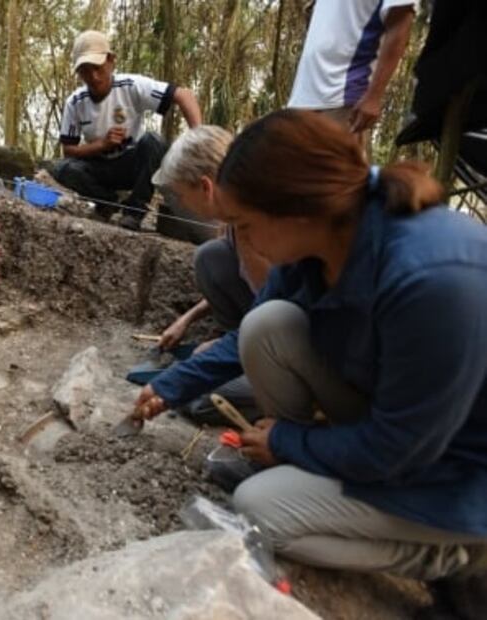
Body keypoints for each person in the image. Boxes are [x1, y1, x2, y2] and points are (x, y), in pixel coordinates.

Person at [134, 109, 487, 618]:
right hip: (399, 429)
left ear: (293, 210)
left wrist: (285, 442)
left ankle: (455, 556)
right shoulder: (322, 238)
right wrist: (169, 387)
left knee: (259, 510)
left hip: (454, 474)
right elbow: (246, 335)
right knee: (269, 326)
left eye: (246, 225)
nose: (245, 241)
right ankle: (316, 469)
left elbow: (400, 450)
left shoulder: (433, 281)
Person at [52, 30, 202, 231]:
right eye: (85, 71)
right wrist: (101, 144)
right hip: (98, 167)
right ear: (78, 73)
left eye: (97, 68)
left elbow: (184, 95)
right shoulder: (75, 102)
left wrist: (199, 139)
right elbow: (68, 150)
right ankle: (107, 202)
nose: (94, 77)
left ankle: (134, 212)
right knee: (63, 169)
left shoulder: (131, 86)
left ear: (111, 61)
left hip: (131, 165)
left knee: (153, 141)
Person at [151, 126, 269, 352]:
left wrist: (224, 350)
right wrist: (185, 320)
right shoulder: (232, 223)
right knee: (210, 255)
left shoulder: (259, 232)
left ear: (206, 187)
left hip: (302, 348)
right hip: (268, 325)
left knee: (205, 370)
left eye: (182, 195)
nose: (182, 203)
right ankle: (235, 339)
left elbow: (280, 313)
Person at [288, 0, 417, 143]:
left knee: (334, 164)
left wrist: (374, 97)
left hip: (343, 94)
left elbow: (400, 24)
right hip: (303, 96)